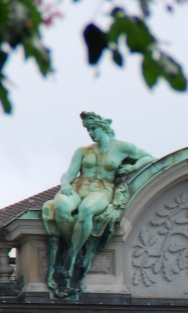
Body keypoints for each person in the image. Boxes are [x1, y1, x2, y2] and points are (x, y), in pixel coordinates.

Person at [42, 112, 155, 297]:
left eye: (93, 128)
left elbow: (149, 158)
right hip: (78, 187)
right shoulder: (82, 151)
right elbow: (70, 173)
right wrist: (64, 183)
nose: (90, 133)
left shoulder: (122, 147)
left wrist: (133, 167)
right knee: (60, 208)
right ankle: (76, 248)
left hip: (102, 190)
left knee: (86, 211)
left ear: (103, 127)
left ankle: (71, 257)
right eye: (88, 129)